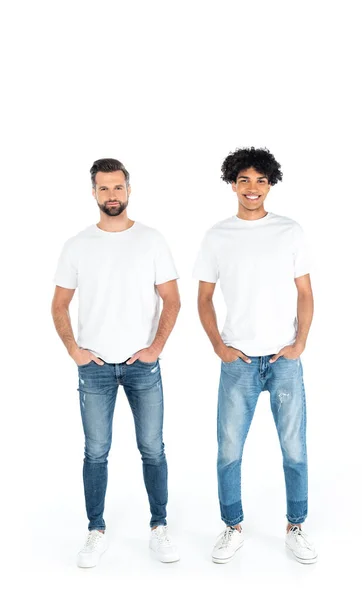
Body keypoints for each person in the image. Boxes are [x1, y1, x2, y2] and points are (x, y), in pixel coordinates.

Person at [51, 158, 181, 567]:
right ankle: (96, 530)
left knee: (152, 448)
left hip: (142, 365)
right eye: (104, 188)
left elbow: (172, 299)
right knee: (96, 451)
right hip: (95, 367)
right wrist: (74, 349)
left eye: (118, 187)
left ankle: (159, 527)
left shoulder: (152, 240)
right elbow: (59, 305)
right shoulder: (77, 245)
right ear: (93, 193)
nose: (112, 195)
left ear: (129, 190)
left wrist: (156, 346)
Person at [193, 147, 317, 565]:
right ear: (232, 183)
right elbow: (204, 298)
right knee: (229, 449)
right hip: (239, 362)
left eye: (261, 180)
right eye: (244, 179)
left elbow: (305, 292)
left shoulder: (290, 231)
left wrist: (299, 344)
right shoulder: (217, 236)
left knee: (294, 448)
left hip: (283, 360)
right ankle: (232, 526)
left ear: (271, 184)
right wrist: (219, 347)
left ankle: (295, 526)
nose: (252, 188)